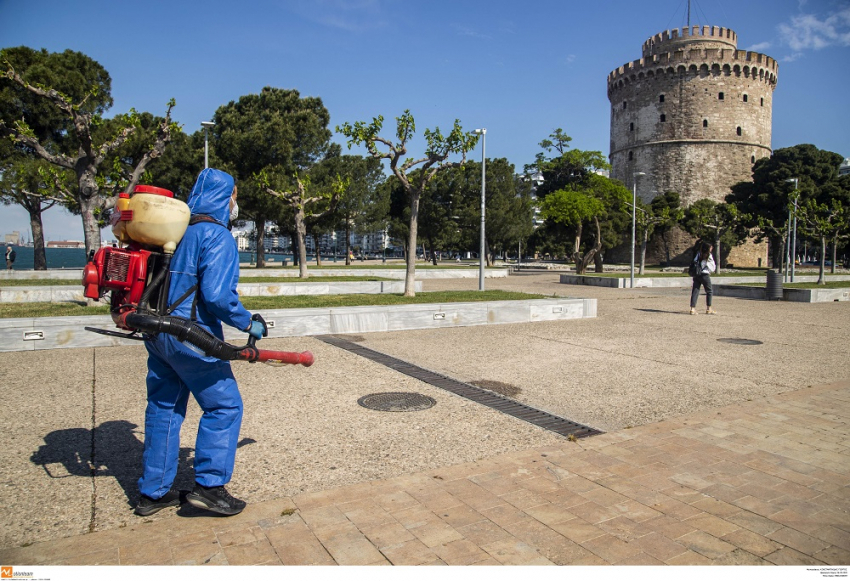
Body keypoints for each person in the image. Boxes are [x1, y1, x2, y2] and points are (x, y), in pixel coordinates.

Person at [135, 168, 266, 517]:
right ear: (225, 197)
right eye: (235, 195)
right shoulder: (216, 236)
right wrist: (250, 322)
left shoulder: (175, 233)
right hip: (191, 340)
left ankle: (153, 492)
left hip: (158, 334)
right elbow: (218, 297)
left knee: (164, 407)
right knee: (224, 407)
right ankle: (209, 487)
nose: (236, 202)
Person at [689, 242, 716, 315]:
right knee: (709, 291)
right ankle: (709, 308)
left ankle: (692, 308)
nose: (711, 248)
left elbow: (694, 262)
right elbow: (712, 267)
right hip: (704, 274)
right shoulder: (708, 255)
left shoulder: (698, 254)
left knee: (695, 290)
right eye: (710, 247)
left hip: (697, 274)